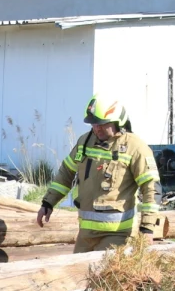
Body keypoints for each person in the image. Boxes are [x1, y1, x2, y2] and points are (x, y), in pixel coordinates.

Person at [36, 94, 161, 253]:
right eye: (93, 124)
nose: (96, 128)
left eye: (102, 124)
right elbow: (66, 173)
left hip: (117, 235)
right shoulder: (85, 142)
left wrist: (147, 228)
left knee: (100, 275)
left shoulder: (135, 147)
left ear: (117, 122)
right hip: (85, 235)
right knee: (78, 275)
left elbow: (151, 188)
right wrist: (48, 203)